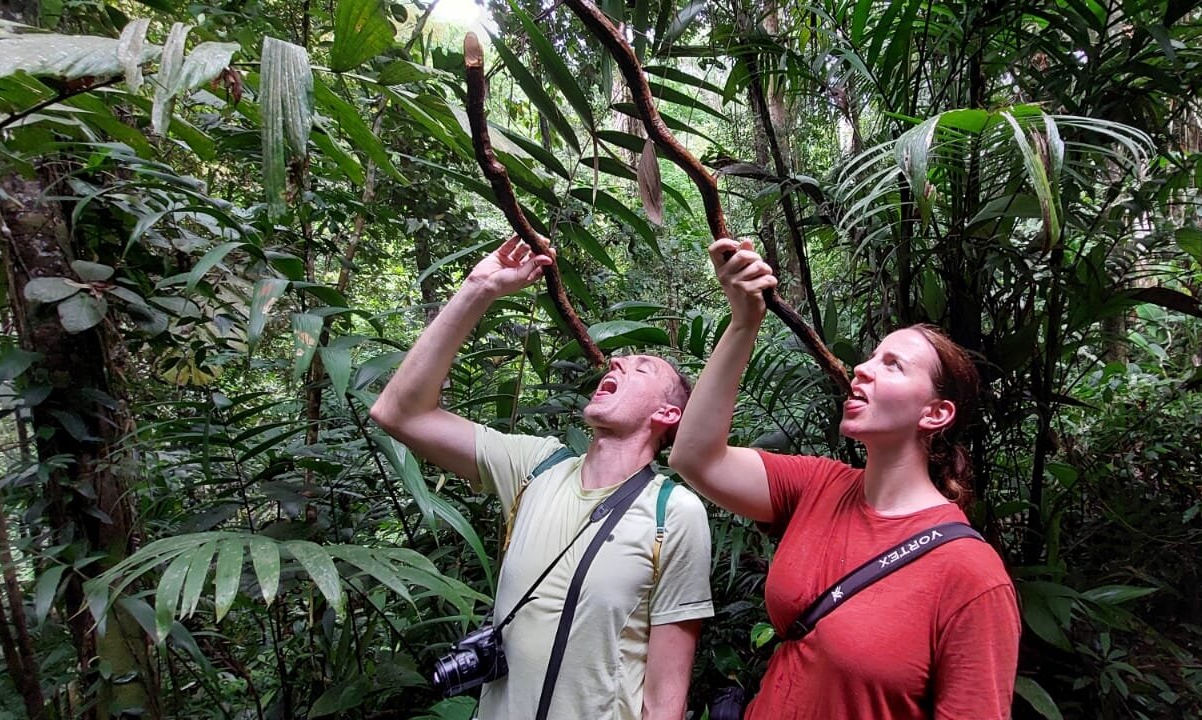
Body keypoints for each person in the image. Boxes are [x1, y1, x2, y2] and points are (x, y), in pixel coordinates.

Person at [670, 238, 1021, 719]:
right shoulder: (818, 486)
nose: (862, 370)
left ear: (936, 413)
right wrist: (744, 321)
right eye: (871, 358)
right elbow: (695, 458)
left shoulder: (971, 576)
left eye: (892, 365)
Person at [370, 237, 714, 720]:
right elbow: (398, 413)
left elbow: (665, 697)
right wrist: (478, 288)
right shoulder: (536, 467)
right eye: (619, 360)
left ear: (667, 412)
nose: (615, 362)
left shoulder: (673, 513)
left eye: (642, 366)